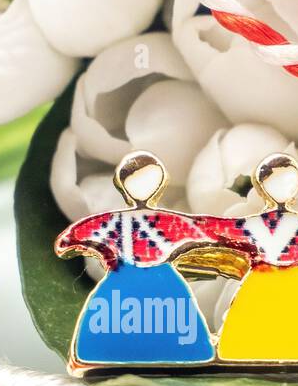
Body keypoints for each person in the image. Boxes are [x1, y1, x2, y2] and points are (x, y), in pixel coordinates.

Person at [54, 151, 216, 369]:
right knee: (112, 318)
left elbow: (205, 227)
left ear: (158, 183)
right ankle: (100, 355)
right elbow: (80, 233)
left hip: (158, 278)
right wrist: (70, 240)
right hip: (126, 277)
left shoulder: (167, 221)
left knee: (172, 318)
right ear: (124, 184)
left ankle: (184, 354)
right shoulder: (116, 221)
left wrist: (235, 237)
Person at [201, 154, 298, 364]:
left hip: (296, 280)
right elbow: (214, 229)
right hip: (266, 279)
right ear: (262, 186)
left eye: (288, 181)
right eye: (273, 182)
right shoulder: (254, 224)